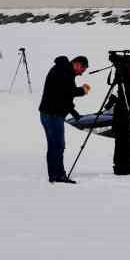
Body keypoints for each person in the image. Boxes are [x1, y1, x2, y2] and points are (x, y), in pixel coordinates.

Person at [38, 54, 91, 184]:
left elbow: (63, 95)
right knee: (56, 145)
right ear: (77, 64)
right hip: (52, 114)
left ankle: (56, 174)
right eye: (82, 69)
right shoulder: (64, 71)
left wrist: (74, 112)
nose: (82, 73)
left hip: (52, 114)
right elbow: (68, 92)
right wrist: (82, 90)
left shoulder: (63, 70)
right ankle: (57, 175)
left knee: (56, 145)